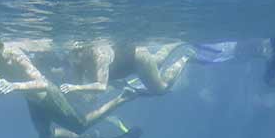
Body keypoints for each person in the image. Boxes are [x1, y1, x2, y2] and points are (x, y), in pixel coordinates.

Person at [0, 41, 141, 138]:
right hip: (31, 98)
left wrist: (15, 86)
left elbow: (43, 82)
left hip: (46, 95)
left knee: (81, 124)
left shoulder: (15, 55)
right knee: (45, 137)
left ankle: (122, 98)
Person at [60, 41, 191, 97]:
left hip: (138, 60)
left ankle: (186, 57)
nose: (74, 59)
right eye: (71, 54)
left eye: (77, 53)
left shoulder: (99, 56)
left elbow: (101, 86)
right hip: (131, 59)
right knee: (158, 60)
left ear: (85, 49)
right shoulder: (75, 58)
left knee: (160, 89)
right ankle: (177, 42)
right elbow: (78, 83)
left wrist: (75, 88)